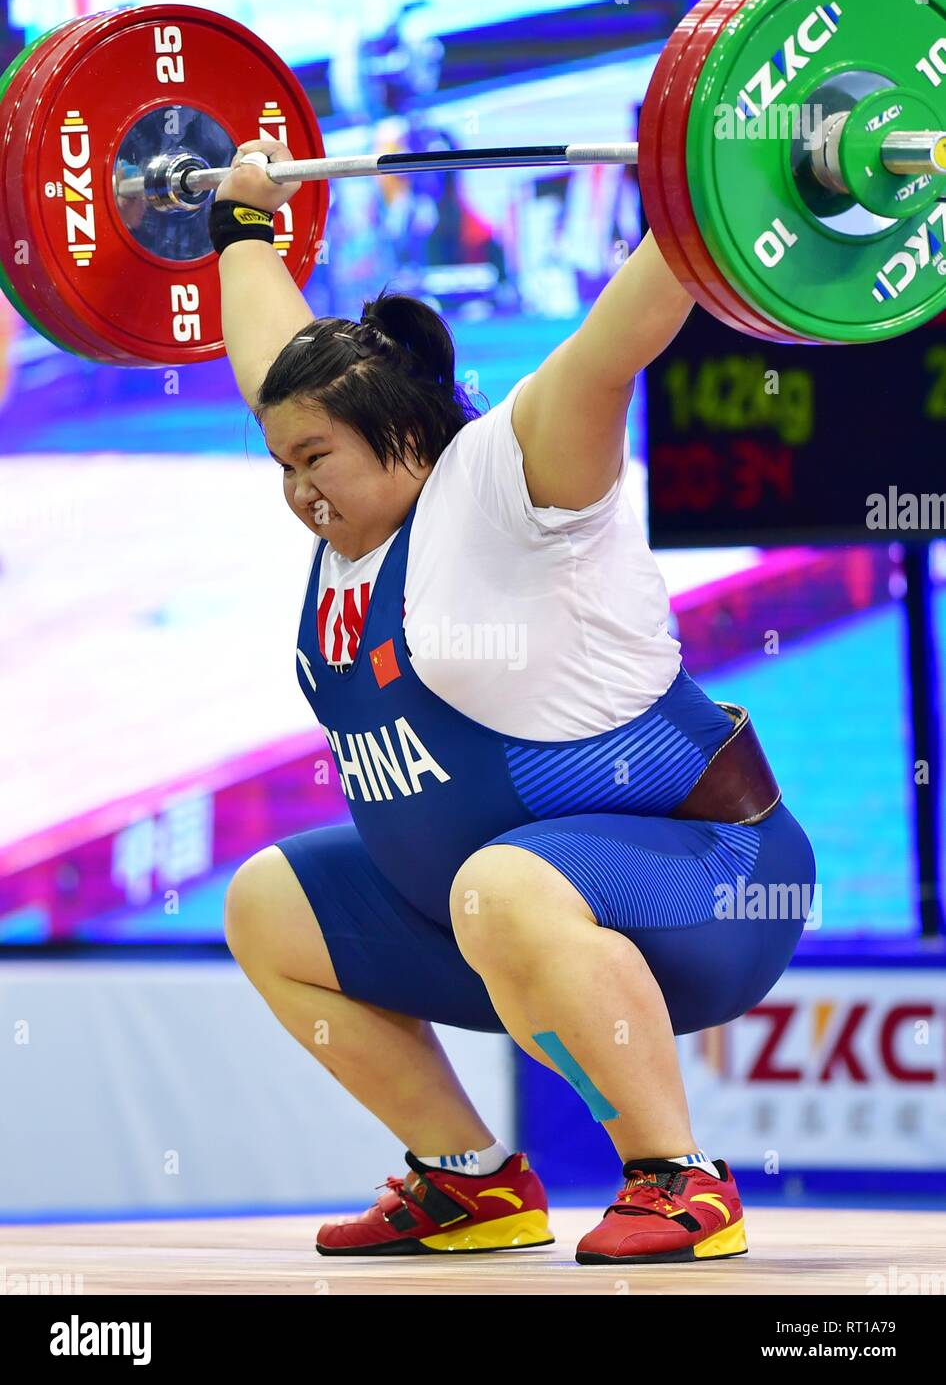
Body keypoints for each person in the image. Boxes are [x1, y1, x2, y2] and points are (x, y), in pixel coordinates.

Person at [215, 139, 816, 1266]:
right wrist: (241, 221)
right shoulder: (352, 529)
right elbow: (271, 358)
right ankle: (468, 1180)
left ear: (403, 435)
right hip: (504, 916)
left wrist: (726, 184)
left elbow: (614, 342)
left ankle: (678, 1180)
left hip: (715, 883)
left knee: (498, 885)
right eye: (281, 464)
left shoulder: (511, 485)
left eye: (314, 459)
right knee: (267, 904)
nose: (297, 491)